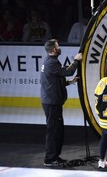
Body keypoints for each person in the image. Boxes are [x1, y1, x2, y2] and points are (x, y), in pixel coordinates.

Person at [40, 39, 82, 167]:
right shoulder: (51, 63)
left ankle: (55, 156)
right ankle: (50, 159)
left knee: (57, 131)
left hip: (53, 102)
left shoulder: (51, 62)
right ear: (53, 49)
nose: (59, 47)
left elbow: (57, 80)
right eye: (58, 46)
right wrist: (76, 60)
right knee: (53, 131)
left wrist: (70, 82)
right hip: (52, 103)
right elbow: (68, 71)